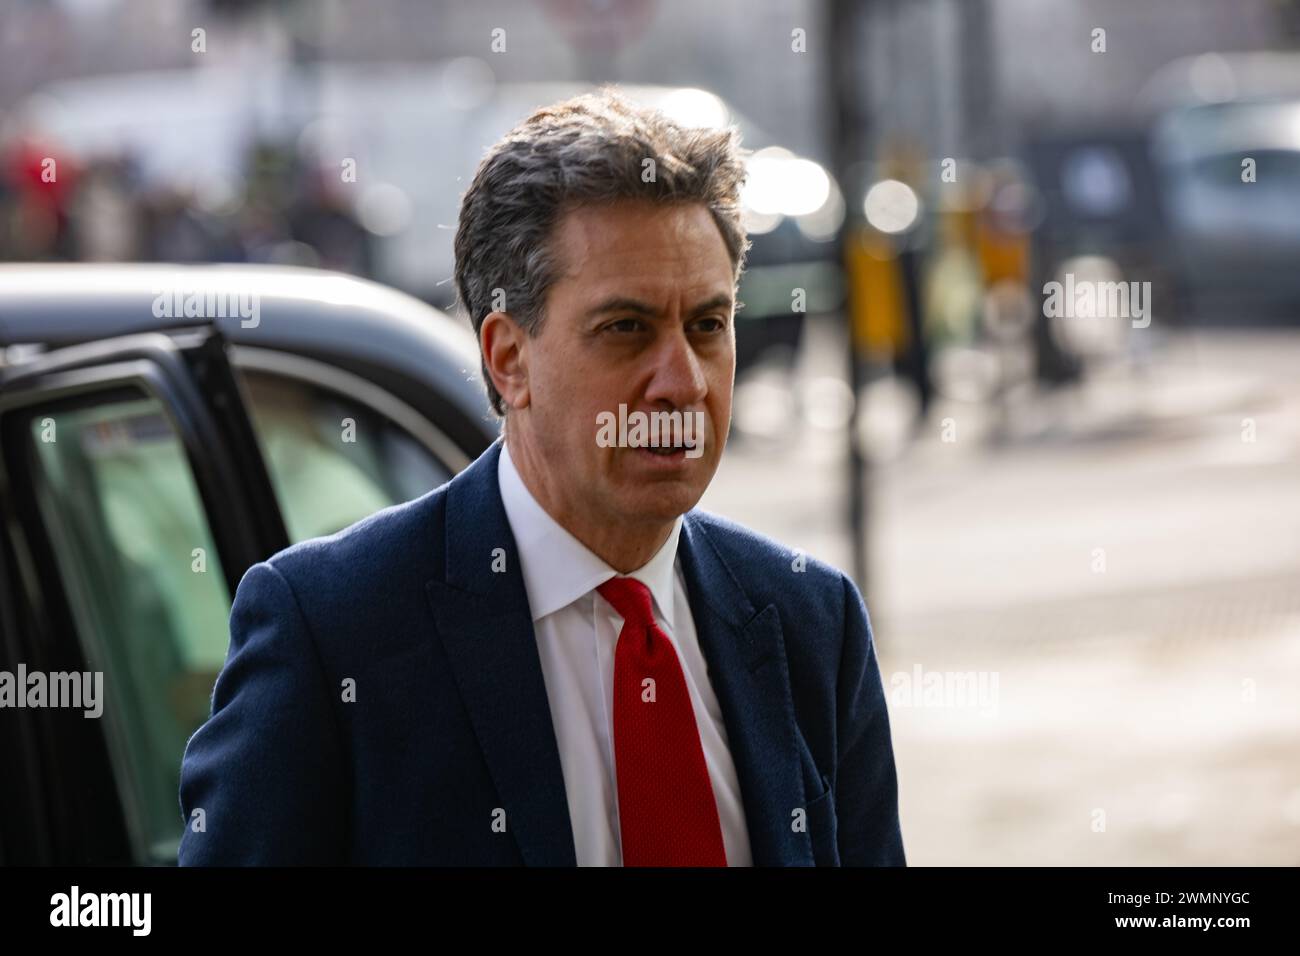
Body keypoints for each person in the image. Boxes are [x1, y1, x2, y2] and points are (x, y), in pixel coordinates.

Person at [177, 87, 905, 866]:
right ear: (508, 358)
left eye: (707, 325)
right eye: (626, 328)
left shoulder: (810, 622)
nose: (682, 381)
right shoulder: (333, 631)